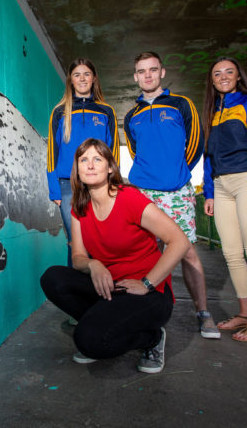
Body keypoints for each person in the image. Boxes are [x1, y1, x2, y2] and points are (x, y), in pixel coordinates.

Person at [40, 138, 190, 373]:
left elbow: (179, 241)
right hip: (112, 286)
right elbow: (78, 256)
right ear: (77, 169)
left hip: (148, 292)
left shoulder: (128, 197)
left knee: (88, 340)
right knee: (53, 278)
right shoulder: (79, 207)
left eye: (97, 159)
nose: (90, 165)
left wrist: (147, 283)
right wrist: (94, 264)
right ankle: (104, 322)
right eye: (83, 160)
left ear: (110, 167)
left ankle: (151, 338)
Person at [124, 51, 220, 339]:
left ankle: (203, 313)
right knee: (142, 252)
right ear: (135, 76)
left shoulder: (182, 104)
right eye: (142, 71)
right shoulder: (132, 115)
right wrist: (149, 176)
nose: (148, 75)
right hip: (142, 191)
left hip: (176, 190)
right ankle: (142, 311)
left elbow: (195, 144)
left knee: (187, 252)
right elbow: (133, 151)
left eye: (153, 69)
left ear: (162, 72)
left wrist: (175, 173)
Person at [201, 57, 247, 342]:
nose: (223, 76)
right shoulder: (212, 111)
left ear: (238, 76)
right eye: (217, 73)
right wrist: (209, 192)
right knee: (231, 253)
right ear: (212, 80)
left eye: (228, 72)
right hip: (221, 187)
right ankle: (246, 313)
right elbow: (208, 156)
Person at [47, 58, 119, 267]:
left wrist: (114, 183)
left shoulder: (107, 111)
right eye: (77, 74)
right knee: (75, 243)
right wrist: (54, 191)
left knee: (100, 241)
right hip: (67, 185)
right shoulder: (60, 112)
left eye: (86, 74)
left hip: (100, 184)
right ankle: (77, 297)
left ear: (94, 78)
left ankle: (101, 293)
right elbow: (52, 152)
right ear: (70, 80)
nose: (82, 78)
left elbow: (113, 153)